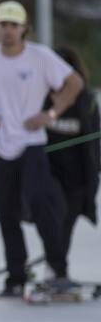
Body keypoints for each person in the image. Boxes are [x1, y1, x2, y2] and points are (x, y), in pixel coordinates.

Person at [0, 0, 84, 297]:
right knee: (6, 211)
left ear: (24, 29)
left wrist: (50, 114)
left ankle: (58, 268)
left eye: (14, 25)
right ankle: (15, 275)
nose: (8, 31)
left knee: (40, 202)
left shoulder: (40, 57)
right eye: (3, 25)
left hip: (31, 145)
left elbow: (74, 84)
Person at [45, 47, 99, 263]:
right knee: (53, 217)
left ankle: (57, 267)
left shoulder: (87, 100)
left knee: (68, 220)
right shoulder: (39, 97)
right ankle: (56, 265)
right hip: (49, 172)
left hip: (78, 176)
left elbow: (95, 139)